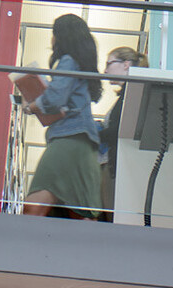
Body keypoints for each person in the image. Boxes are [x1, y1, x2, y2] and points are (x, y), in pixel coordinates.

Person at [22, 13, 104, 218]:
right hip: (84, 147)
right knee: (81, 214)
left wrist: (31, 106)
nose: (51, 39)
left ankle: (17, 239)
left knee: (33, 207)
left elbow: (54, 99)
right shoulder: (81, 66)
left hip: (68, 141)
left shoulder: (68, 61)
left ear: (61, 36)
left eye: (54, 33)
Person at [98, 45, 148, 219]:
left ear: (126, 64)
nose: (105, 70)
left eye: (109, 63)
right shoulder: (128, 94)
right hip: (117, 167)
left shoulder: (131, 94)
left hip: (117, 169)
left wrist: (93, 133)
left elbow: (118, 130)